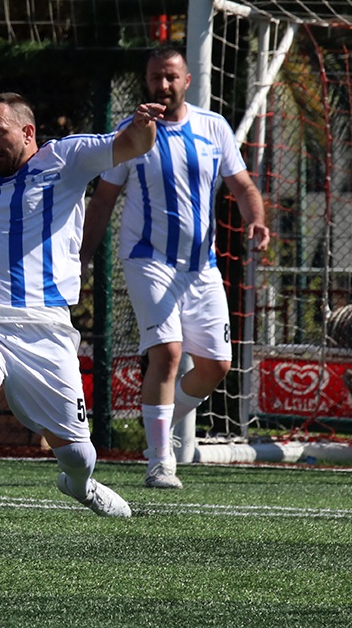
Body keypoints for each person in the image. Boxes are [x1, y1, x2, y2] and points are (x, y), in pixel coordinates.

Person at [0, 93, 166, 523]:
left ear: (27, 132)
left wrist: (143, 125)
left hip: (46, 327)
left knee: (78, 454)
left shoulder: (65, 159)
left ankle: (79, 485)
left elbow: (133, 144)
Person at [80, 47, 271, 490]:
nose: (162, 85)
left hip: (201, 266)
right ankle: (160, 460)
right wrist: (85, 255)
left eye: (170, 77)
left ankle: (156, 422)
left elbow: (243, 186)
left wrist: (256, 220)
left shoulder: (213, 127)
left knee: (216, 366)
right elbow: (103, 199)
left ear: (186, 81)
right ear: (146, 82)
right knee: (167, 353)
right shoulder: (130, 134)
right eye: (155, 77)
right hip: (148, 260)